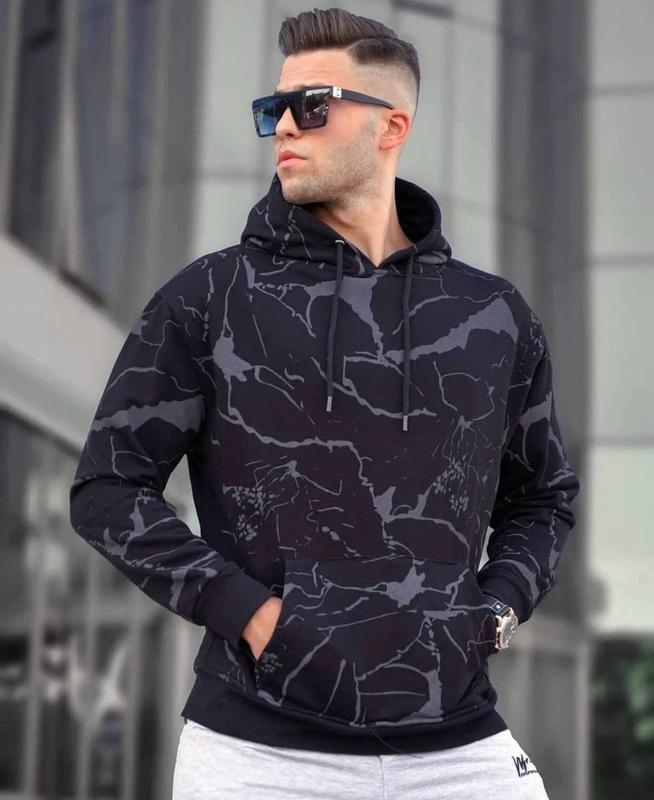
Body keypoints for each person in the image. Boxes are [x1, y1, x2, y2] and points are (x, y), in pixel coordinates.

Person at [69, 7, 581, 799]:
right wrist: (249, 614)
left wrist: (498, 612)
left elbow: (543, 498)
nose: (283, 126)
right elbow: (107, 489)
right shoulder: (210, 298)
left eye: (312, 106)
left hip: (460, 746)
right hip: (258, 750)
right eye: (273, 108)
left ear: (391, 125)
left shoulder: (494, 316)